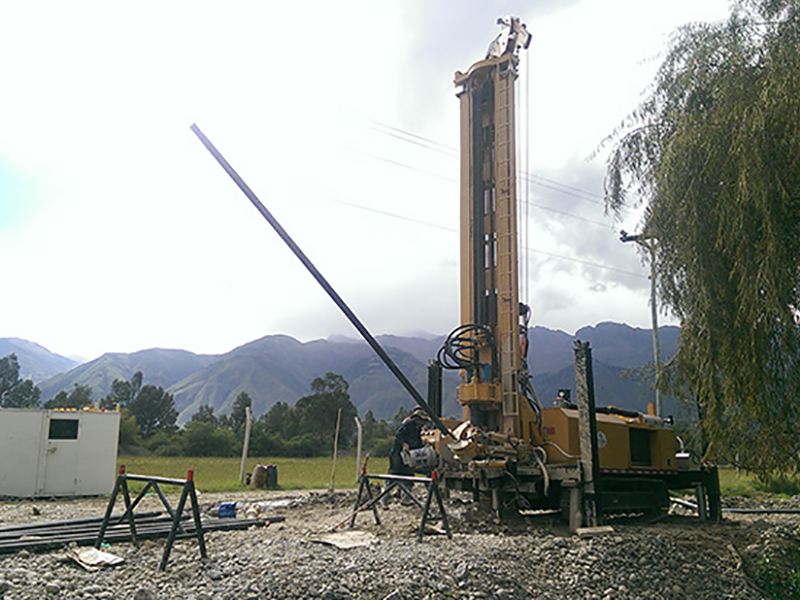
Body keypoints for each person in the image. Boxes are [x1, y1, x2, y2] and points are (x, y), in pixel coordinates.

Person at [385, 408, 428, 504]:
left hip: (408, 456)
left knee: (408, 476)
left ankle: (405, 500)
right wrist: (404, 444)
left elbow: (417, 443)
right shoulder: (408, 425)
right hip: (398, 454)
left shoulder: (417, 429)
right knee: (393, 476)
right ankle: (384, 499)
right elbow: (398, 435)